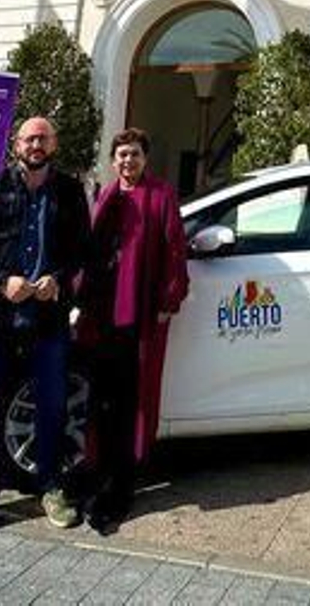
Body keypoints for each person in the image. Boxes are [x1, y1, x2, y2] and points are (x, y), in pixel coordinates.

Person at [0, 116, 90, 544]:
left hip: (46, 317)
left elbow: (82, 247)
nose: (36, 144)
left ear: (54, 143)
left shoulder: (68, 191)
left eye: (44, 137)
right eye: (29, 138)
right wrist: (0, 280)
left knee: (52, 402)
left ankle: (50, 488)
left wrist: (59, 279)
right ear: (17, 144)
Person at [85, 128, 189, 532]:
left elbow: (175, 249)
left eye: (134, 155)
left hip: (138, 316)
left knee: (132, 399)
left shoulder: (161, 196)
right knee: (102, 399)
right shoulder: (106, 195)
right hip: (101, 316)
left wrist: (169, 300)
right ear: (113, 161)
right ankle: (99, 471)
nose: (128, 161)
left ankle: (123, 478)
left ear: (146, 159)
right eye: (122, 155)